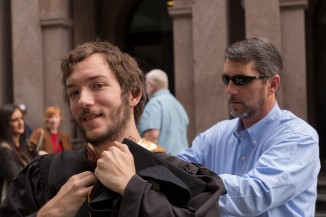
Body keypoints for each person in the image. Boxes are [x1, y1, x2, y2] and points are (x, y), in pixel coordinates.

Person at [0, 41, 225, 216]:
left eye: (98, 85)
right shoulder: (45, 174)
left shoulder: (183, 180)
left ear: (134, 94)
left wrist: (133, 188)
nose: (83, 101)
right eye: (73, 92)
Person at [177, 37, 321, 216]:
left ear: (272, 84)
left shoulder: (299, 137)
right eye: (226, 79)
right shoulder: (215, 135)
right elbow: (177, 170)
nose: (230, 89)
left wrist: (190, 186)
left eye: (241, 80)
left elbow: (254, 195)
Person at [138, 69, 189, 155]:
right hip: (182, 163)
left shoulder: (154, 104)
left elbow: (152, 136)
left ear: (150, 85)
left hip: (164, 164)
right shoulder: (178, 105)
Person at [0, 104, 38, 202]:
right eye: (14, 120)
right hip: (14, 206)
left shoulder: (26, 146)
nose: (20, 123)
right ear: (5, 124)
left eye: (21, 118)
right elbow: (18, 181)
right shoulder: (4, 150)